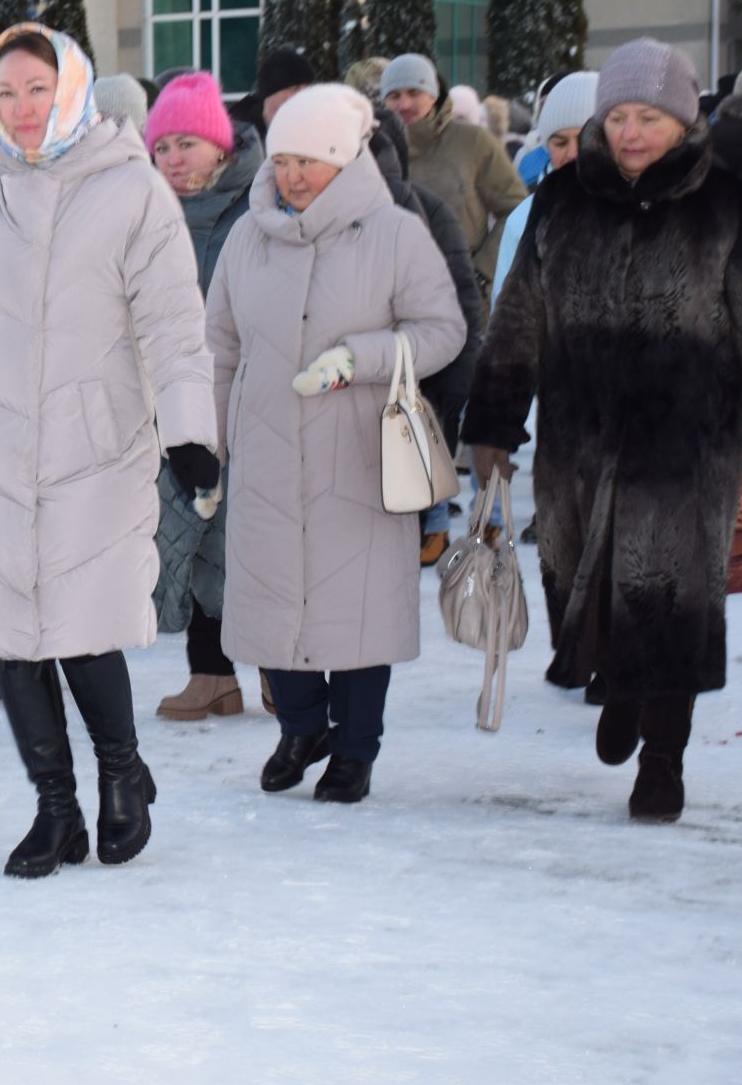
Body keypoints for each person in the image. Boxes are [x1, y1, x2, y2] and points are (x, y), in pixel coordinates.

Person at [0, 24, 217, 878]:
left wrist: (189, 433)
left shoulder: (131, 190)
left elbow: (174, 323)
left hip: (96, 440)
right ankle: (55, 808)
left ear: (71, 88)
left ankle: (122, 775)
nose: (23, 107)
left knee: (82, 627)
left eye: (37, 88)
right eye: (7, 93)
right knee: (4, 633)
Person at [464, 40, 742, 823]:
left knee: (672, 599)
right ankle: (617, 686)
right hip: (577, 442)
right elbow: (517, 320)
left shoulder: (725, 203)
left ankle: (664, 757)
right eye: (618, 116)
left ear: (684, 119)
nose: (631, 132)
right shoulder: (563, 201)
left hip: (685, 448)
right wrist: (492, 421)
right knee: (577, 580)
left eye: (649, 117)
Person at [206, 84, 465, 806]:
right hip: (264, 448)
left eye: (311, 161)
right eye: (284, 158)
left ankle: (354, 749)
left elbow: (443, 331)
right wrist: (209, 446)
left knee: (356, 614)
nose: (293, 175)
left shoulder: (393, 232)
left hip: (357, 450)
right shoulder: (247, 234)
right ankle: (299, 727)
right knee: (267, 601)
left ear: (346, 160)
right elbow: (218, 344)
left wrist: (361, 357)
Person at [140, 71, 266, 722]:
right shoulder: (144, 213)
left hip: (252, 397)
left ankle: (282, 669)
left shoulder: (263, 203)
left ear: (221, 146)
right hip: (173, 402)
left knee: (258, 543)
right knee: (191, 543)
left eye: (188, 143)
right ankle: (213, 674)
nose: (175, 159)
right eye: (163, 148)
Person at [367, 109, 486, 564]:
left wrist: (459, 377)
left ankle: (432, 523)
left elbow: (460, 299)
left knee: (418, 448)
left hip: (416, 369)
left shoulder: (428, 209)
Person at [382, 53, 527, 300]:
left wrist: (482, 271)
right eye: (394, 96)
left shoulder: (473, 141)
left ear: (434, 96)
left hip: (463, 294)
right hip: (394, 295)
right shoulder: (372, 150)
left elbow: (518, 210)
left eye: (414, 93)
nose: (404, 104)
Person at [492, 72, 600, 303]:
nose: (572, 153)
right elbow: (505, 317)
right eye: (560, 142)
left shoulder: (646, 208)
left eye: (584, 139)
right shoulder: (524, 219)